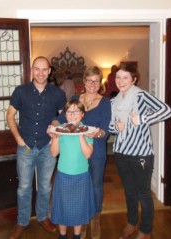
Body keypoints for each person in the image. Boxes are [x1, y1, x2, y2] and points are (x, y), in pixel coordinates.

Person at [109, 63, 171, 239]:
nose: (120, 81)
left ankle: (146, 230)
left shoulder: (141, 96)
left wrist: (142, 118)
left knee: (143, 193)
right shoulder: (114, 101)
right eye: (118, 77)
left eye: (125, 77)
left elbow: (167, 111)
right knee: (129, 191)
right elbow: (111, 127)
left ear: (134, 79)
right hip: (121, 152)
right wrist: (117, 126)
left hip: (140, 155)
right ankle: (132, 222)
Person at [6, 56, 66, 239]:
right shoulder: (21, 91)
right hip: (26, 147)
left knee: (46, 186)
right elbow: (10, 115)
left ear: (49, 71)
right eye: (37, 69)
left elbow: (64, 117)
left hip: (48, 147)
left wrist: (56, 124)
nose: (40, 73)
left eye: (44, 69)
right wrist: (18, 138)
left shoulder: (57, 93)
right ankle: (22, 221)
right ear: (32, 71)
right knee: (24, 187)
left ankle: (42, 217)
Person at [49, 66, 111, 239]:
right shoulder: (76, 99)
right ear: (83, 81)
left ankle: (95, 218)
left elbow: (105, 128)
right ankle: (82, 220)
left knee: (96, 186)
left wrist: (97, 133)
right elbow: (62, 117)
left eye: (96, 81)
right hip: (75, 153)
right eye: (89, 80)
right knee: (82, 189)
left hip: (96, 149)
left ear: (100, 83)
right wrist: (53, 126)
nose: (92, 84)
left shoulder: (105, 102)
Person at [50, 99, 96, 239]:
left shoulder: (87, 131)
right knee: (62, 207)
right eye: (69, 111)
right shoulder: (60, 129)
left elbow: (88, 154)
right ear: (65, 114)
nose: (73, 114)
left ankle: (77, 236)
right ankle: (63, 235)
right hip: (63, 175)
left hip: (81, 176)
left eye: (76, 111)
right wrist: (56, 138)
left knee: (79, 209)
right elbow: (53, 153)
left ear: (82, 114)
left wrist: (80, 135)